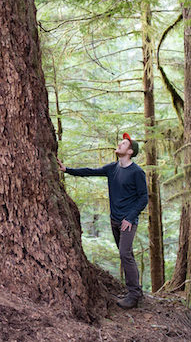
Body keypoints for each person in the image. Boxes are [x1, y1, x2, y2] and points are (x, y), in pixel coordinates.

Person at [58, 132, 149, 309]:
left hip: (127, 222)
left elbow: (143, 198)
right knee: (125, 255)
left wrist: (130, 218)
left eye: (123, 144)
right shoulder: (113, 168)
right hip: (114, 220)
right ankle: (134, 290)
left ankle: (134, 295)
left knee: (125, 254)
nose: (119, 145)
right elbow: (91, 172)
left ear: (130, 151)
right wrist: (67, 170)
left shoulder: (137, 172)